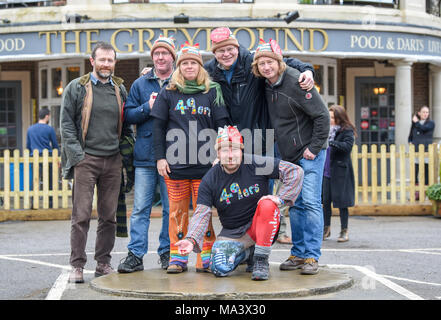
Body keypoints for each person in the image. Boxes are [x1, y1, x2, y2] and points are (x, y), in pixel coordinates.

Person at [175, 126, 303, 280]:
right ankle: (249, 253)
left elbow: (295, 171)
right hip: (233, 233)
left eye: (234, 150)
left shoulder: (256, 163)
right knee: (219, 269)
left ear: (241, 151)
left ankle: (261, 260)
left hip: (261, 226)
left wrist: (280, 198)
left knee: (268, 204)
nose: (230, 155)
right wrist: (191, 239)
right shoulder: (210, 179)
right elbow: (201, 213)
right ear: (218, 153)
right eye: (225, 151)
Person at [151, 43, 231, 273]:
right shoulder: (168, 91)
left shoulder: (212, 91)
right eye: (184, 63)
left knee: (203, 213)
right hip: (175, 166)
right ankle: (178, 258)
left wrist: (221, 155)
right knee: (176, 214)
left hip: (206, 166)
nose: (189, 66)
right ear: (179, 66)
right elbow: (158, 128)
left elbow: (223, 126)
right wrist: (160, 158)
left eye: (193, 63)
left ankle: (206, 257)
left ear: (200, 66)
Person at [252, 39, 330, 275]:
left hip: (309, 152)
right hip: (289, 155)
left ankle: (311, 257)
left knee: (310, 202)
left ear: (279, 62)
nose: (266, 67)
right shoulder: (266, 85)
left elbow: (323, 116)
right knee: (293, 205)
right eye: (262, 64)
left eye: (270, 62)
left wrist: (314, 148)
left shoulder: (297, 81)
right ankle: (297, 253)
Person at [60, 42, 127, 283]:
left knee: (109, 216)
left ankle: (103, 263)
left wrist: (122, 153)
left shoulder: (120, 89)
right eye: (102, 60)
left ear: (114, 63)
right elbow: (66, 124)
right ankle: (77, 266)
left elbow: (126, 123)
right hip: (86, 160)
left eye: (110, 60)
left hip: (112, 161)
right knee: (81, 216)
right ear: (92, 61)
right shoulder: (76, 88)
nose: (106, 64)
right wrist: (78, 156)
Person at [117, 36, 176, 274]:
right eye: (157, 54)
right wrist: (147, 108)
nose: (160, 57)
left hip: (172, 156)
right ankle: (135, 255)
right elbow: (128, 116)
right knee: (141, 208)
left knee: (171, 209)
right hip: (144, 157)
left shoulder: (180, 82)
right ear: (152, 58)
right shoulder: (141, 84)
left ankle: (168, 252)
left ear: (173, 56)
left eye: (165, 53)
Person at [204, 27, 315, 154]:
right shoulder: (209, 70)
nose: (226, 54)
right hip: (228, 141)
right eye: (221, 50)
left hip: (260, 139)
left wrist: (307, 70)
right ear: (214, 53)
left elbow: (282, 62)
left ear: (237, 48)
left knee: (261, 172)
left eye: (230, 49)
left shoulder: (252, 62)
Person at [322, 105, 356, 243]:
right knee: (325, 202)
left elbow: (347, 147)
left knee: (342, 203)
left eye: (332, 117)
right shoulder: (325, 130)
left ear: (339, 118)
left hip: (340, 171)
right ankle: (326, 229)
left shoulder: (347, 131)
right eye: (328, 117)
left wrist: (331, 143)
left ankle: (344, 231)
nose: (330, 120)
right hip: (326, 171)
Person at [26, 107, 59, 208]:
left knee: (34, 180)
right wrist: (57, 158)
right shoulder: (49, 129)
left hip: (34, 158)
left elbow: (28, 146)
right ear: (47, 116)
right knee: (49, 180)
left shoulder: (30, 129)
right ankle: (50, 202)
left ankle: (33, 203)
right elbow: (55, 145)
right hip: (48, 158)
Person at [408, 105, 435, 199]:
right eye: (423, 112)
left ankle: (425, 193)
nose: (425, 114)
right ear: (419, 113)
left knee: (426, 172)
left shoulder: (431, 123)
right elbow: (411, 134)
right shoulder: (415, 124)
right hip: (415, 151)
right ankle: (416, 193)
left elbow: (423, 129)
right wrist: (410, 141)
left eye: (427, 112)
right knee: (415, 171)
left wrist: (416, 122)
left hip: (426, 151)